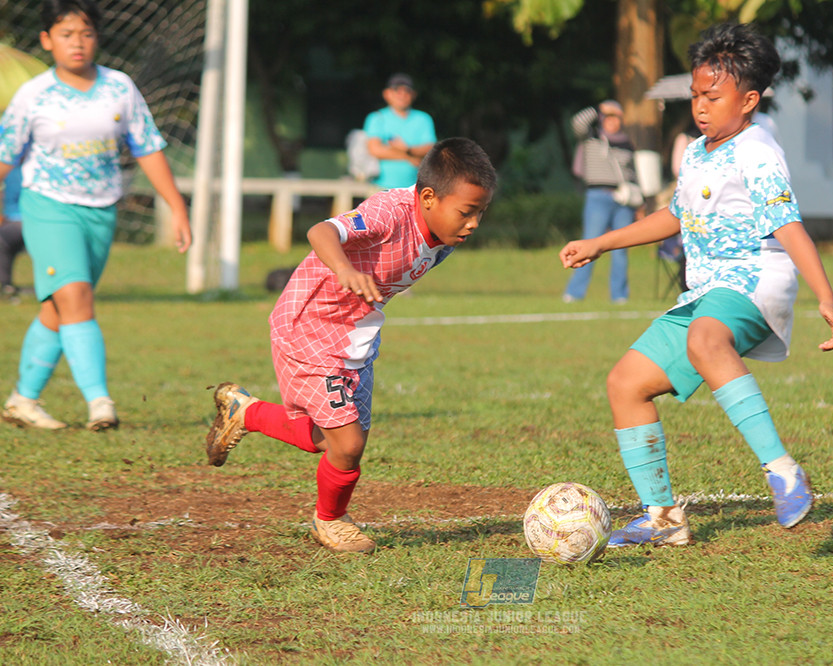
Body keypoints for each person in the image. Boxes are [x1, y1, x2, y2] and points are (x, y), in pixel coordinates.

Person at [559, 23, 833, 547]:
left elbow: (789, 227)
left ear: (749, 99)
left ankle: (783, 471)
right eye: (695, 95)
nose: (700, 106)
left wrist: (826, 298)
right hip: (705, 292)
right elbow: (674, 216)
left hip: (755, 278)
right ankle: (663, 519)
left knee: (704, 341)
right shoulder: (696, 152)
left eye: (712, 96)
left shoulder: (757, 150)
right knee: (626, 383)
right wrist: (602, 243)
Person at [204, 138, 497, 554]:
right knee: (348, 445)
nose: (473, 224)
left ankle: (246, 413)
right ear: (428, 197)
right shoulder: (389, 213)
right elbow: (320, 231)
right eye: (467, 212)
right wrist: (343, 267)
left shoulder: (444, 237)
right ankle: (330, 521)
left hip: (355, 337)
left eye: (480, 213)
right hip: (308, 326)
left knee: (332, 441)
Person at [0, 0, 191, 431]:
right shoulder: (33, 95)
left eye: (86, 33)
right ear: (48, 40)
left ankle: (22, 400)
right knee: (76, 299)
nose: (78, 43)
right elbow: (5, 156)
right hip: (48, 206)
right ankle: (100, 403)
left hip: (102, 211)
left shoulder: (119, 87)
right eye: (67, 34)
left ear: (97, 37)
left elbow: (147, 147)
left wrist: (177, 207)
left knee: (60, 307)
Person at [563, 100, 640, 304]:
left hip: (623, 200)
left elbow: (633, 173)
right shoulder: (592, 138)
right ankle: (575, 292)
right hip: (597, 196)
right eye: (608, 117)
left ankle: (620, 295)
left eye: (616, 117)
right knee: (589, 242)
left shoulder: (627, 143)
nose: (612, 122)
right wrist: (598, 110)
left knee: (621, 248)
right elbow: (578, 123)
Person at [363, 73, 437, 190]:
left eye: (407, 91)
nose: (402, 95)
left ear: (414, 95)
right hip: (379, 187)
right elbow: (375, 150)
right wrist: (408, 156)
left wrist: (406, 149)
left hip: (416, 188)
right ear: (387, 94)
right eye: (396, 90)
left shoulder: (423, 119)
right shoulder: (377, 118)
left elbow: (430, 148)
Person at [0, 165, 27, 297]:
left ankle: (5, 285)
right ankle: (5, 285)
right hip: (10, 220)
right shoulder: (8, 169)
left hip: (29, 220)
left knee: (2, 239)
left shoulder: (28, 169)